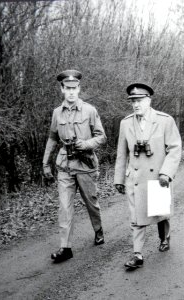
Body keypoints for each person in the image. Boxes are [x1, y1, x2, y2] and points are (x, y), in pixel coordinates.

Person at [114, 83, 182, 270]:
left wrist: (166, 173)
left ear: (149, 100)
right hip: (135, 178)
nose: (136, 104)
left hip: (157, 177)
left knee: (160, 213)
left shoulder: (164, 120)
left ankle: (164, 237)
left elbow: (175, 148)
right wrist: (119, 178)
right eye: (133, 101)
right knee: (136, 217)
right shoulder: (126, 123)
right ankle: (138, 254)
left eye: (140, 100)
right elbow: (121, 153)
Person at [43, 70, 107, 263]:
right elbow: (53, 138)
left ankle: (98, 230)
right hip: (65, 166)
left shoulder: (90, 110)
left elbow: (102, 136)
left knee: (91, 203)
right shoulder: (56, 112)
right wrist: (45, 163)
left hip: (86, 164)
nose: (71, 92)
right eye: (67, 88)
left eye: (74, 88)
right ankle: (66, 247)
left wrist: (86, 144)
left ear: (79, 89)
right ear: (62, 89)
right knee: (64, 207)